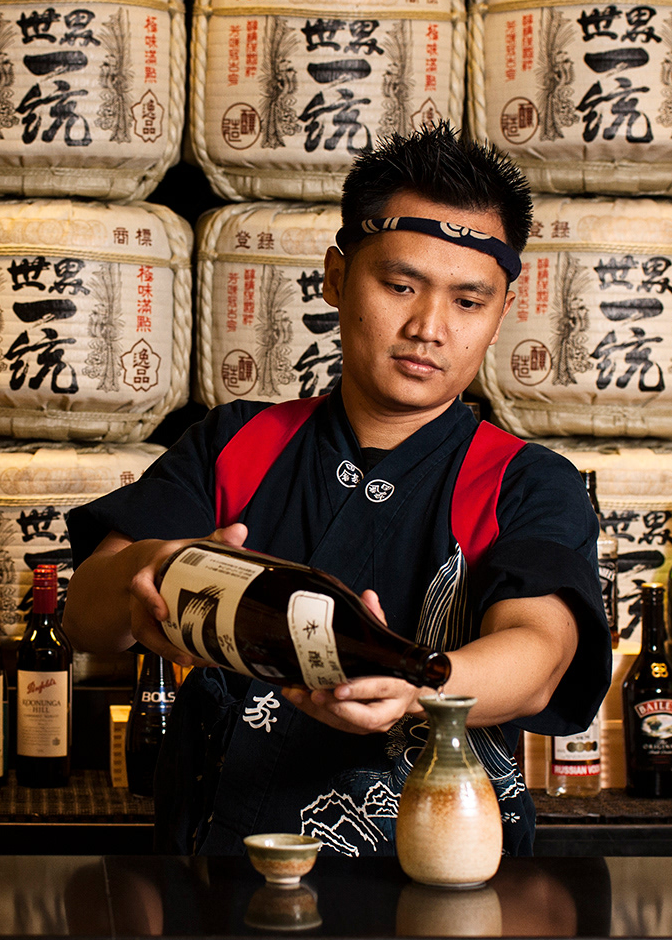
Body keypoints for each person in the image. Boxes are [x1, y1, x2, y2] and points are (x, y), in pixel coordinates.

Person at [64, 122, 611, 857]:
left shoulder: (523, 480)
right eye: (400, 285)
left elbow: (541, 655)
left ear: (502, 314)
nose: (429, 328)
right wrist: (159, 571)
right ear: (334, 276)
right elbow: (85, 615)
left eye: (468, 302)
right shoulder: (236, 444)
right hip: (216, 867)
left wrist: (420, 685)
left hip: (436, 870)